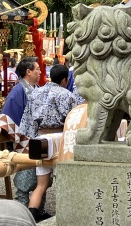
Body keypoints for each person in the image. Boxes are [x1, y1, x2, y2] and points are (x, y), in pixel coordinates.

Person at [19, 64, 82, 221]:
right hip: (60, 139)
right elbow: (74, 120)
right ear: (64, 80)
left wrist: (29, 142)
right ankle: (65, 219)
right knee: (64, 181)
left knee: (41, 185)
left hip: (39, 140)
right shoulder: (67, 95)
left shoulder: (35, 93)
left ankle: (29, 219)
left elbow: (27, 120)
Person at [0, 57, 41, 207]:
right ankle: (22, 205)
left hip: (38, 134)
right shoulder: (18, 90)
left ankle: (38, 207)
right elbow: (9, 110)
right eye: (37, 69)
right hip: (26, 137)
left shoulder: (37, 88)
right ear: (29, 72)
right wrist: (1, 126)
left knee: (42, 173)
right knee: (26, 171)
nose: (40, 72)